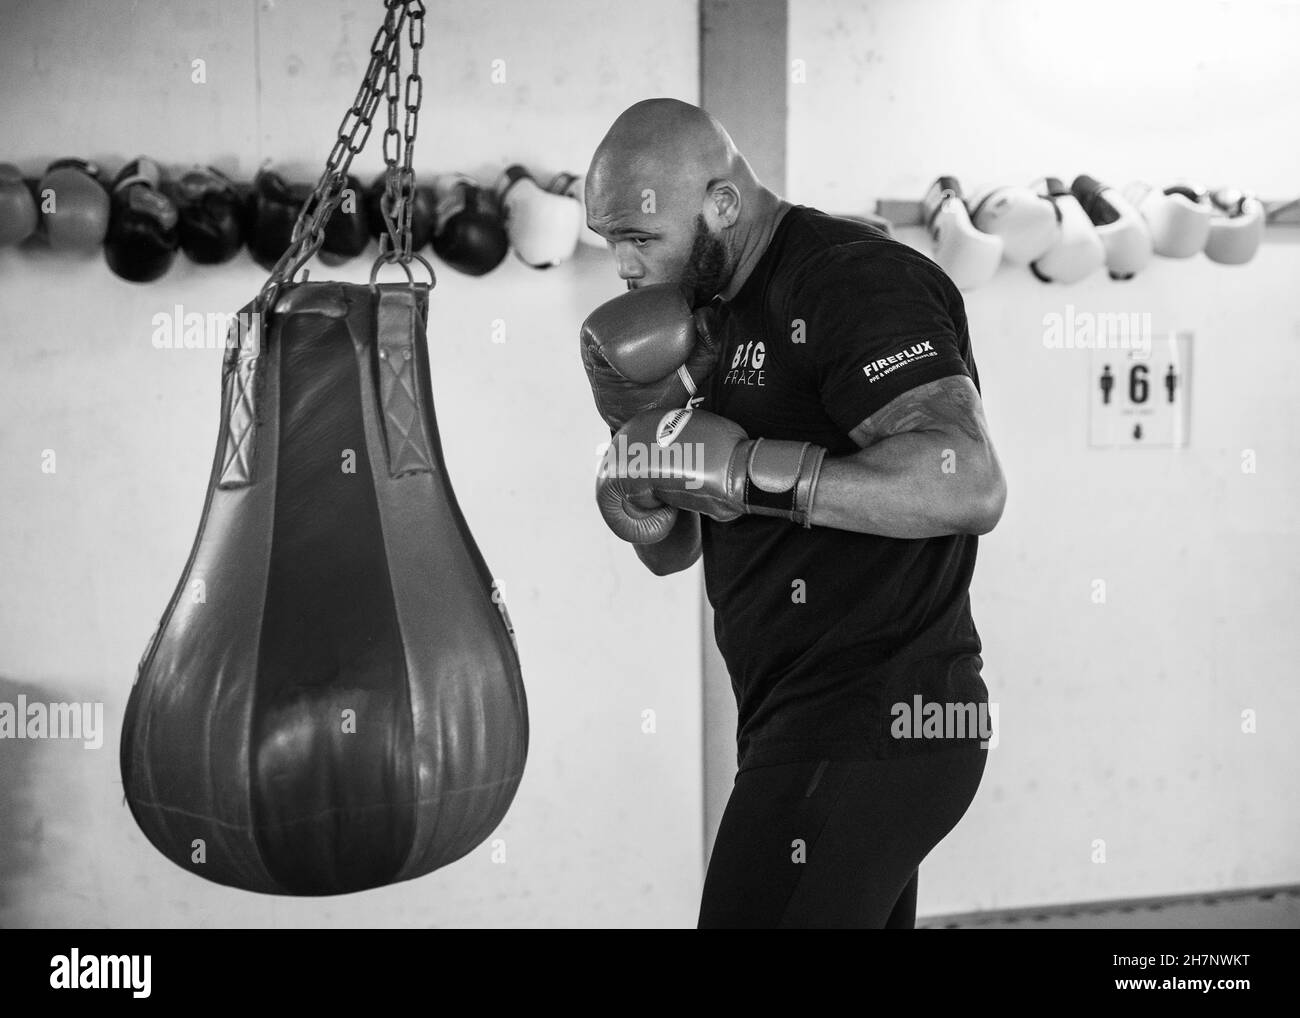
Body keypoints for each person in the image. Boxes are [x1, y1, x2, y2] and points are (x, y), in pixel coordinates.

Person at [581, 98, 1008, 929]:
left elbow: (969, 482)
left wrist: (749, 470)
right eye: (610, 242)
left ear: (723, 204)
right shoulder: (712, 314)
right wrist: (640, 469)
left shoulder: (849, 277)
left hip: (877, 719)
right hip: (794, 717)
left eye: (638, 238)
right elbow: (676, 552)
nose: (624, 268)